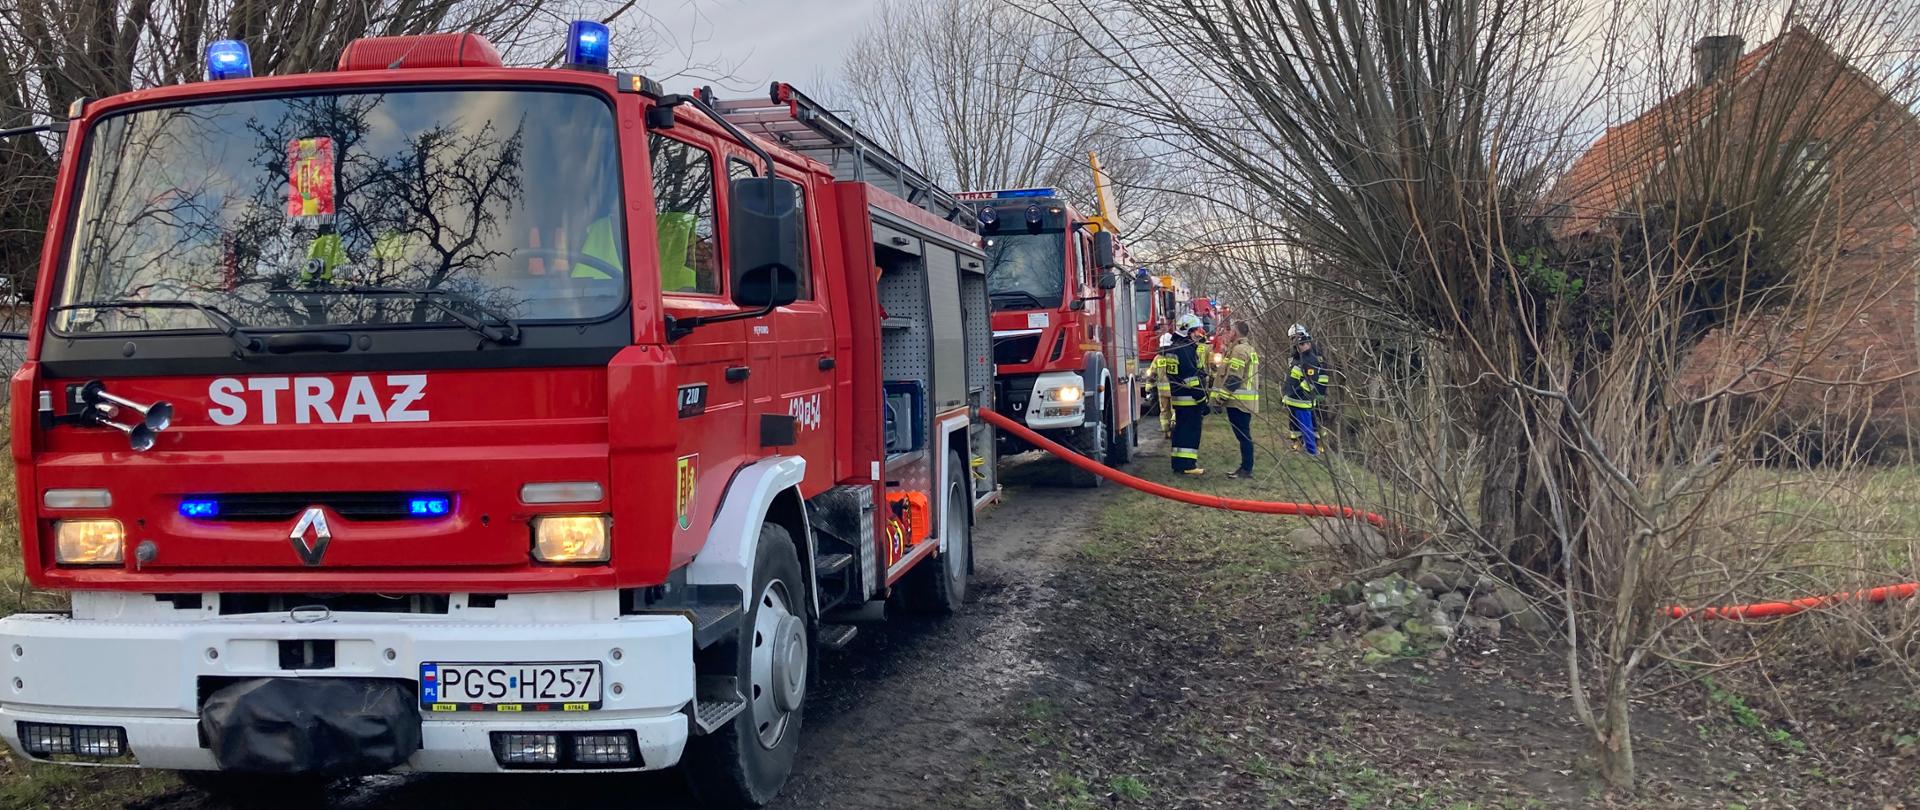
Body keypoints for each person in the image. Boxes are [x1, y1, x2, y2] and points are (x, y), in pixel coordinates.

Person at [1211, 321, 1261, 478]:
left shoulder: (1239, 350)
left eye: (1230, 331)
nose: (1228, 333)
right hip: (1243, 401)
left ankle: (1246, 469)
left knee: (1243, 436)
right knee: (1243, 436)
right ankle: (1245, 468)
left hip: (1239, 402)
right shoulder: (1246, 348)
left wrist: (1220, 399)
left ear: (1235, 332)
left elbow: (1234, 378)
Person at [1163, 314, 1209, 475]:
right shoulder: (1185, 349)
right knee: (1190, 432)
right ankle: (1188, 465)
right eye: (1196, 330)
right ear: (1187, 331)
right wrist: (1202, 400)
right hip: (1191, 399)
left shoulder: (1174, 348)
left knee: (1180, 431)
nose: (1198, 334)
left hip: (1179, 398)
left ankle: (1178, 464)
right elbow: (1191, 378)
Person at [1282, 323, 1331, 456]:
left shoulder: (1313, 354)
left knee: (1315, 421)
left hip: (1312, 394)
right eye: (1292, 339)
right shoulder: (1296, 355)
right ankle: (1299, 444)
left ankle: (1316, 447)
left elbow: (1315, 377)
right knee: (1297, 423)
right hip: (1298, 396)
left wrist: (1304, 392)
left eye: (1295, 338)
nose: (1294, 342)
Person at [1150, 324, 1175, 437]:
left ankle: (1166, 431)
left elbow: (1152, 373)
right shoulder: (1175, 357)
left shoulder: (1157, 358)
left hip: (1162, 391)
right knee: (1175, 410)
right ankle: (1174, 428)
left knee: (1164, 411)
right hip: (1174, 389)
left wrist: (1149, 386)